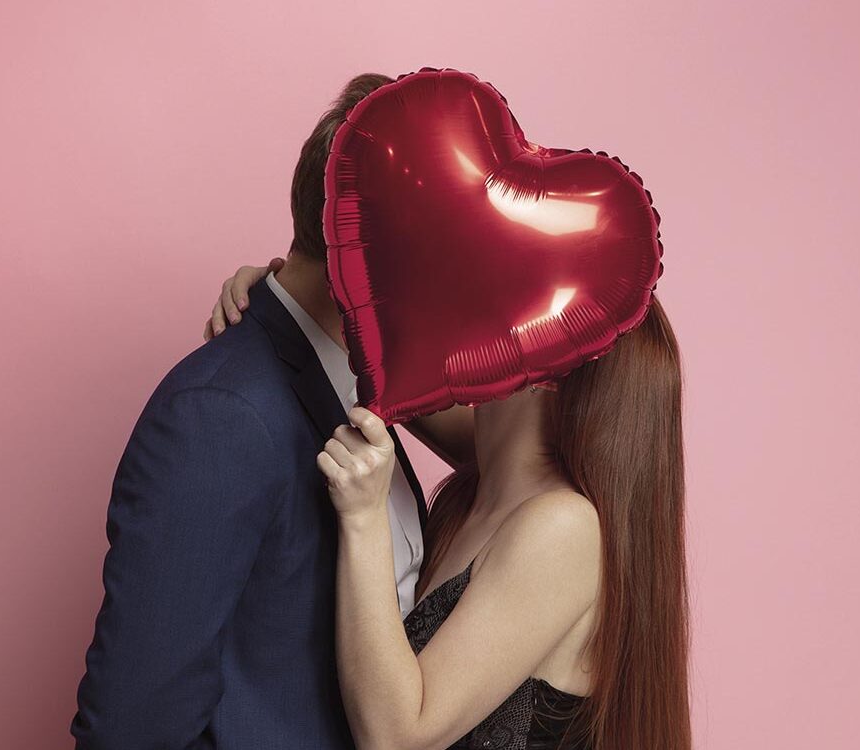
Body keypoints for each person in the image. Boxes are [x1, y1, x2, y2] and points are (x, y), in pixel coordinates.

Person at [71, 73, 474, 750]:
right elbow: (131, 727)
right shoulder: (220, 416)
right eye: (437, 250)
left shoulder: (355, 375)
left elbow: (508, 453)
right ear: (369, 249)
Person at [210, 261, 692, 748]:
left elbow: (397, 738)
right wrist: (288, 293)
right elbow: (371, 362)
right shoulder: (484, 490)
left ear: (548, 374)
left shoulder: (562, 525)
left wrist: (364, 517)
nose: (475, 318)